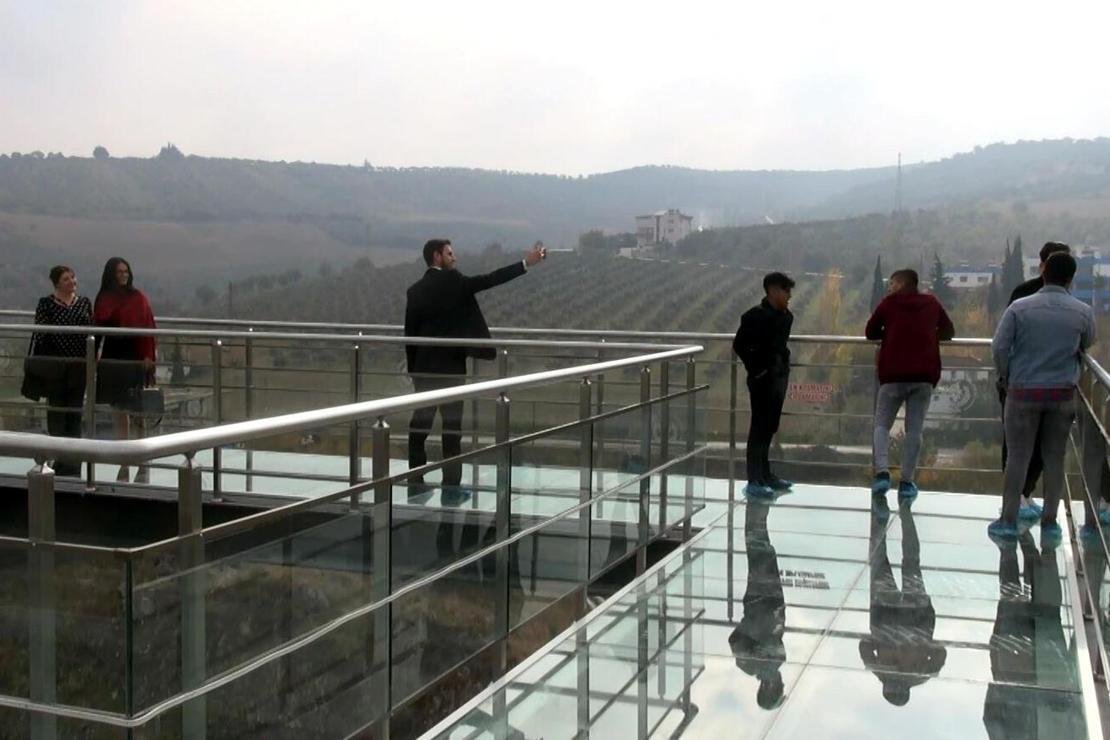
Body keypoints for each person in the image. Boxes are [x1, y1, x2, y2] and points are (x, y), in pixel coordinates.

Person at [405, 239, 546, 505]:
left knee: (419, 428)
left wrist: (413, 370)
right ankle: (451, 490)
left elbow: (409, 336)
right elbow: (491, 279)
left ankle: (416, 484)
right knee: (451, 430)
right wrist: (527, 263)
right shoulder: (455, 282)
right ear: (437, 256)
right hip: (452, 371)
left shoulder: (415, 291)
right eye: (449, 253)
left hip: (424, 371)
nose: (454, 257)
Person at [989, 252, 1095, 541]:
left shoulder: (1019, 308)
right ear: (1071, 278)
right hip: (1062, 394)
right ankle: (1050, 522)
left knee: (1018, 457)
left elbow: (999, 347)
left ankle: (1008, 520)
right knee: (1055, 457)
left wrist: (1006, 376)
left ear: (1043, 271)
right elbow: (1086, 343)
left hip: (1022, 391)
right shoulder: (1082, 311)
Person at [865, 269, 955, 500]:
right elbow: (949, 331)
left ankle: (882, 474)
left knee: (882, 424)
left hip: (893, 374)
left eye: (893, 282)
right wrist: (927, 334)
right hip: (924, 376)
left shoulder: (889, 304)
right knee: (914, 429)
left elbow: (870, 332)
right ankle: (906, 481)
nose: (889, 287)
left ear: (902, 283)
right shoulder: (932, 303)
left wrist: (891, 333)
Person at [999, 242, 1071, 522]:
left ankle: (1017, 504)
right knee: (1042, 451)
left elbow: (1000, 345)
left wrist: (1006, 375)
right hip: (1056, 389)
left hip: (1022, 385)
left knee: (1025, 450)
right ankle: (1033, 508)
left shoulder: (1022, 301)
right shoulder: (1027, 295)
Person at [859, 498, 946, 706]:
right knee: (880, 560)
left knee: (911, 562)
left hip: (918, 617)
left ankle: (905, 514)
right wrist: (881, 640)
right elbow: (864, 645)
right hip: (886, 615)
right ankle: (881, 513)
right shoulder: (881, 673)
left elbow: (940, 652)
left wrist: (923, 643)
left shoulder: (920, 676)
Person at [94, 257, 157, 483]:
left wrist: (149, 356)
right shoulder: (104, 298)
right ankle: (124, 460)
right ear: (111, 274)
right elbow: (97, 330)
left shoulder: (138, 298)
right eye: (120, 272)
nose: (124, 275)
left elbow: (148, 327)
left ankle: (142, 458)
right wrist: (93, 357)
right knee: (118, 410)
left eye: (126, 271)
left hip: (134, 356)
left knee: (137, 409)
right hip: (112, 358)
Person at [734, 272, 795, 497]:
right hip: (761, 380)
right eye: (786, 290)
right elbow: (739, 345)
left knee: (770, 426)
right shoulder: (753, 316)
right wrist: (757, 370)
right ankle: (754, 478)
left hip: (779, 377)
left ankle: (766, 474)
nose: (789, 296)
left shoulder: (787, 317)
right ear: (773, 291)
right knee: (758, 427)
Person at [31, 265, 93, 476]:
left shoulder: (84, 303)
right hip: (55, 369)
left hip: (78, 366)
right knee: (57, 414)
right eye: (66, 279)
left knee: (75, 414)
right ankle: (60, 459)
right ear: (57, 283)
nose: (72, 282)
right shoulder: (46, 304)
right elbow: (40, 335)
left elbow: (91, 331)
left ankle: (73, 464)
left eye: (73, 278)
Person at [728, 499, 786, 710]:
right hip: (762, 601)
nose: (783, 682)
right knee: (761, 550)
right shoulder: (751, 665)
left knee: (759, 549)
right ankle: (758, 510)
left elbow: (737, 640)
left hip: (765, 601)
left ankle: (757, 506)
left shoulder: (766, 663)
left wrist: (752, 625)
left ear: (772, 688)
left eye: (780, 687)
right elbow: (735, 639)